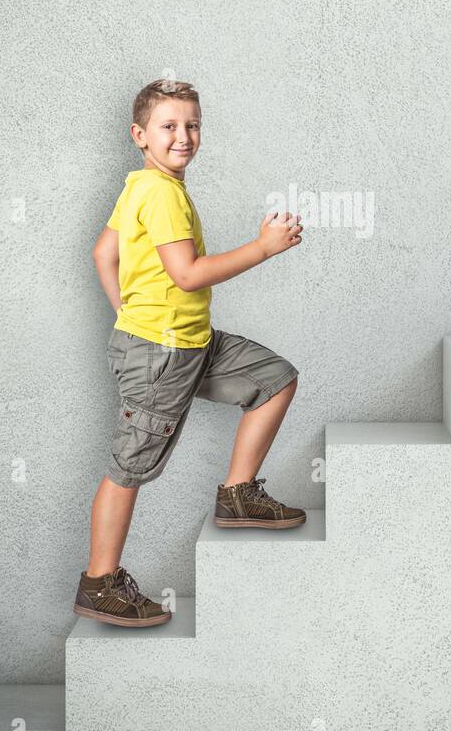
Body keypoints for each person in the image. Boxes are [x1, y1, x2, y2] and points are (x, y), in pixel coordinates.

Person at [73, 77, 303, 627]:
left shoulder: (141, 186)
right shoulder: (160, 192)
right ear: (140, 134)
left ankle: (238, 494)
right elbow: (188, 274)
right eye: (169, 126)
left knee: (274, 378)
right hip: (161, 355)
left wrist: (127, 313)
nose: (183, 136)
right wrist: (264, 248)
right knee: (129, 467)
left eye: (192, 125)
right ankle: (99, 583)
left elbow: (104, 252)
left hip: (188, 343)